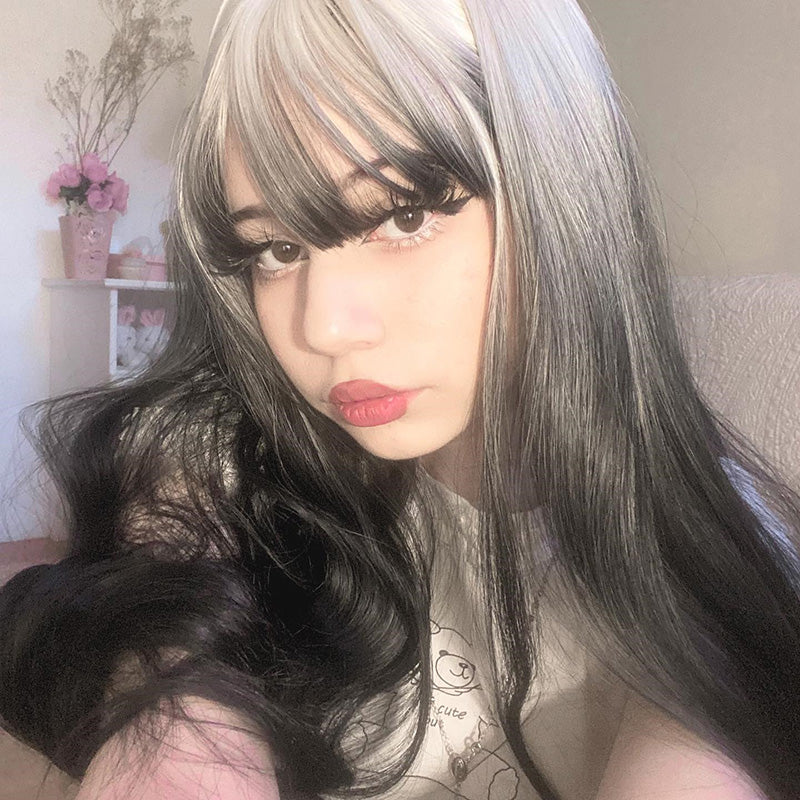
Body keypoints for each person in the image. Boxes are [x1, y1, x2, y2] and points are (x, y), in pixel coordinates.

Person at [2, 0, 799, 798]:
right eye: (277, 249)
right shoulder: (266, 458)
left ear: (564, 197)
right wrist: (188, 710)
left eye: (405, 215)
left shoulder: (709, 578)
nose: (322, 327)